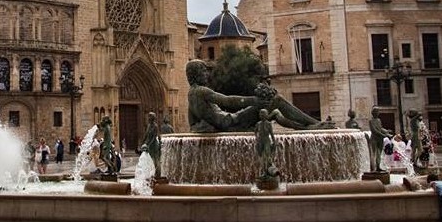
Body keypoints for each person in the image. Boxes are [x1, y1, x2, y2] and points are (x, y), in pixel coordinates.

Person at [186, 59, 329, 132]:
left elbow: (192, 122)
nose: (207, 74)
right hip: (233, 122)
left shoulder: (191, 94)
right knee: (277, 100)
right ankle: (314, 124)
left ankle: (306, 128)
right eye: (204, 71)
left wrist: (200, 127)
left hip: (230, 122)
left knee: (275, 113)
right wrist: (254, 100)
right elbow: (227, 101)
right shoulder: (202, 91)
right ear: (196, 74)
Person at [368, 106, 394, 172]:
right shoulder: (371, 121)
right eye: (377, 112)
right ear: (373, 113)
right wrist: (384, 135)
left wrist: (386, 131)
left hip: (380, 139)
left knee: (379, 153)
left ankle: (378, 167)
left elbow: (380, 128)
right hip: (374, 139)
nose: (378, 113)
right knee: (375, 153)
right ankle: (374, 168)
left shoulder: (379, 120)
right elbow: (374, 130)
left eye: (378, 111)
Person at [255, 108, 277, 177]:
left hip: (267, 141)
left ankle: (270, 170)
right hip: (260, 141)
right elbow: (255, 132)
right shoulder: (258, 124)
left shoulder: (269, 124)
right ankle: (264, 171)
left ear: (267, 115)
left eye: (264, 114)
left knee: (268, 156)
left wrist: (274, 141)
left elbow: (272, 133)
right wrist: (257, 138)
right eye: (261, 113)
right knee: (262, 157)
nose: (262, 115)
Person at [141, 111, 162, 178]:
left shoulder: (155, 126)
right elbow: (146, 134)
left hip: (154, 144)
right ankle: (152, 173)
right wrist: (143, 142)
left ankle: (158, 174)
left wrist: (149, 144)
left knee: (156, 159)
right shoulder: (149, 125)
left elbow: (154, 137)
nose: (148, 118)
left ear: (152, 118)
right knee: (151, 159)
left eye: (149, 117)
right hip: (150, 144)